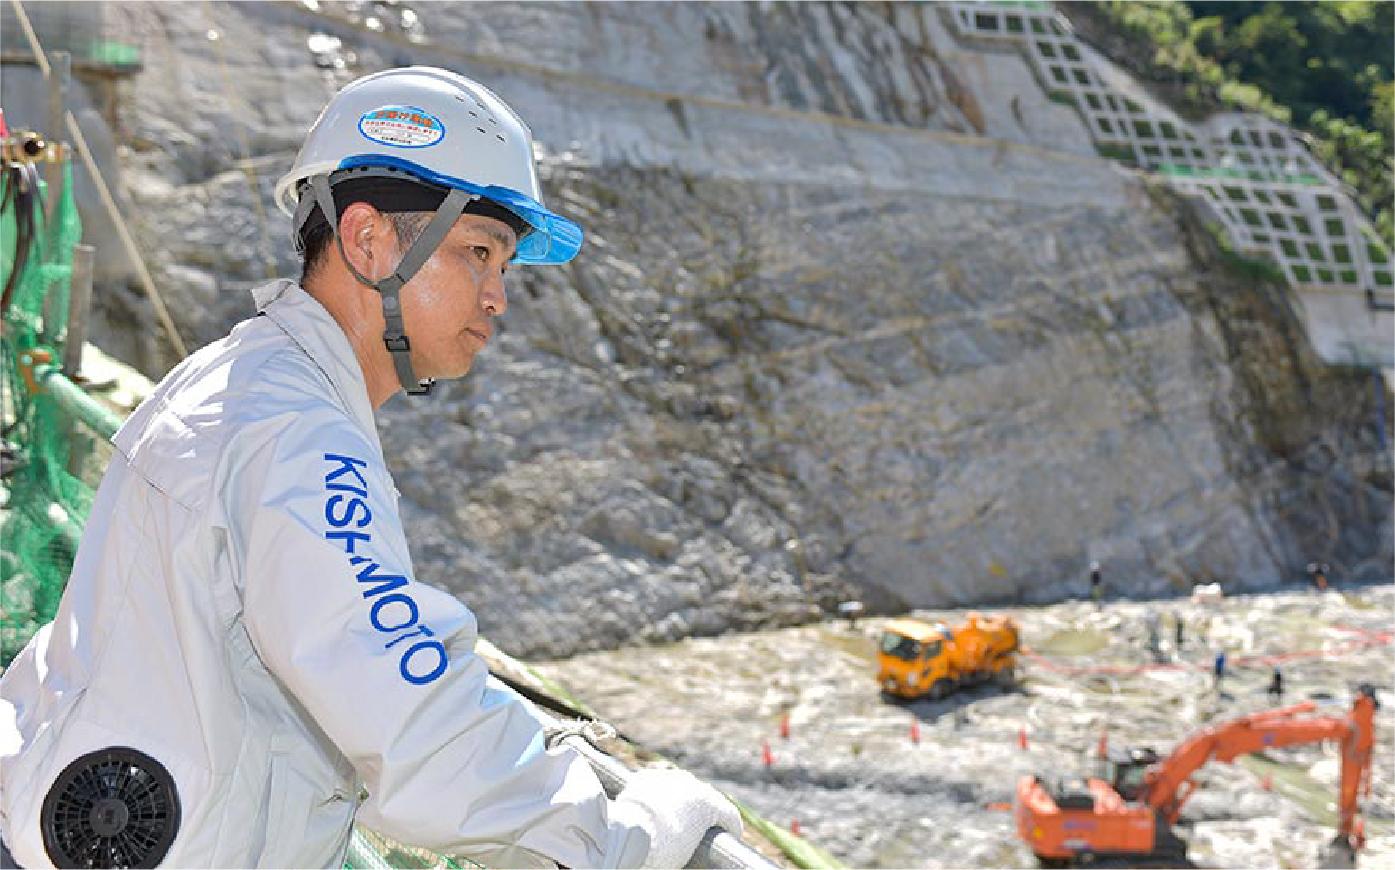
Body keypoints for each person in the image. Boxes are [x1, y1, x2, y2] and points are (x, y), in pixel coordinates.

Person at [0, 67, 739, 869]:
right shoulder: (296, 436)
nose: (498, 296)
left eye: (504, 267)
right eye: (478, 253)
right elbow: (412, 725)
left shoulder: (248, 375)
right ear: (367, 241)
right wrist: (625, 836)